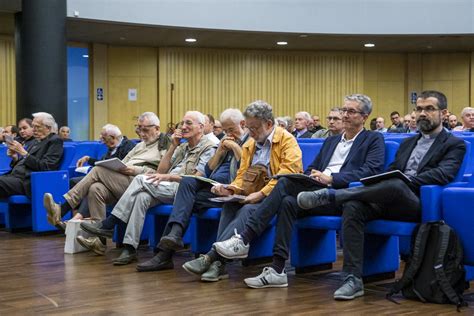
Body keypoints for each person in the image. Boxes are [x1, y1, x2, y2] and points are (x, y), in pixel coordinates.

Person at [297, 90, 466, 301]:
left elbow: (443, 174)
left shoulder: (455, 144)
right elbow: (393, 170)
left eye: (429, 109)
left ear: (443, 113)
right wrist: (389, 180)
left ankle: (333, 196)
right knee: (354, 207)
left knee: (395, 184)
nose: (423, 113)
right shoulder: (407, 143)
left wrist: (406, 181)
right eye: (419, 109)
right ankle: (352, 279)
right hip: (387, 198)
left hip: (418, 202)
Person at [213, 94, 385, 288]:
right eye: (344, 110)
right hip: (314, 192)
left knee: (284, 182)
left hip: (341, 195)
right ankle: (278, 269)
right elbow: (312, 166)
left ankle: (244, 238)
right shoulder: (331, 141)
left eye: (351, 111)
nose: (345, 115)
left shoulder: (373, 139)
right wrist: (312, 175)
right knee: (287, 202)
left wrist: (332, 178)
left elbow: (371, 171)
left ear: (365, 116)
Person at [182, 100, 303, 282]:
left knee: (246, 210)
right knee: (229, 205)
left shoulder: (287, 140)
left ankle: (212, 258)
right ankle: (218, 264)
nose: (251, 133)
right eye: (249, 128)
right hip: (252, 194)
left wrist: (260, 194)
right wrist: (231, 189)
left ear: (269, 124)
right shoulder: (250, 144)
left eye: (254, 128)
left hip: (274, 198)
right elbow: (242, 176)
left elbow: (287, 175)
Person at [80, 111, 217, 265]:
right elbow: (161, 171)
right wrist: (173, 146)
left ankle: (110, 223)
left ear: (201, 127)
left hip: (184, 191)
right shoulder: (182, 147)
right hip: (166, 186)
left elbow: (196, 179)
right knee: (141, 197)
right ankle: (129, 247)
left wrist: (169, 177)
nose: (183, 127)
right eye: (183, 123)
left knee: (140, 179)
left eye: (189, 123)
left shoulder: (209, 147)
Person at [135, 109, 249, 273]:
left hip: (232, 190)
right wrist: (220, 151)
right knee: (187, 183)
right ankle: (173, 238)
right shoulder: (224, 140)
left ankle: (165, 254)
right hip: (212, 187)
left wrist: (236, 148)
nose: (228, 134)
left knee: (184, 200)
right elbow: (209, 170)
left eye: (231, 130)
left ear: (243, 125)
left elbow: (246, 170)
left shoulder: (249, 141)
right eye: (225, 130)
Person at [44, 112, 170, 231]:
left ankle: (64, 207)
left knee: (98, 169)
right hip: (124, 181)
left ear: (157, 128)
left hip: (141, 184)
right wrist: (119, 167)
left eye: (145, 130)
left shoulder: (164, 146)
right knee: (95, 188)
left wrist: (134, 170)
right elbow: (124, 162)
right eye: (139, 129)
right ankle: (97, 238)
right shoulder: (139, 145)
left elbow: (160, 172)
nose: (141, 134)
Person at [56, 124, 136, 235]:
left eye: (103, 137)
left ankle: (71, 212)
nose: (101, 141)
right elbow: (103, 162)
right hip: (107, 180)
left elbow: (124, 167)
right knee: (90, 185)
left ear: (112, 137)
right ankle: (98, 236)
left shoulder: (128, 146)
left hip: (122, 182)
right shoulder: (110, 148)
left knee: (93, 178)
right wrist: (88, 159)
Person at [0, 112, 63, 198]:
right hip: (14, 177)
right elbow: (24, 162)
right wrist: (15, 158)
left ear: (48, 128)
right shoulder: (35, 141)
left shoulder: (55, 141)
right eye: (33, 126)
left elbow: (47, 167)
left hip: (27, 181)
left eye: (37, 127)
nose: (33, 130)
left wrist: (23, 152)